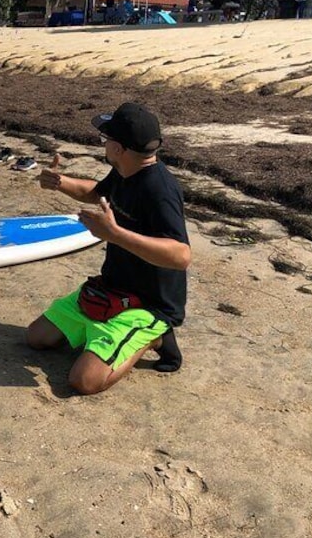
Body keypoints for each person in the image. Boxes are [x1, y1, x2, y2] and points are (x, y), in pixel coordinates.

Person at [29, 102, 191, 395]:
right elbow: (96, 192)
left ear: (118, 148)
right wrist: (59, 182)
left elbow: (181, 256)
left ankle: (154, 338)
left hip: (149, 303)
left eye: (105, 141)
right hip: (112, 288)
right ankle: (101, 335)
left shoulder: (160, 190)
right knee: (36, 337)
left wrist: (115, 234)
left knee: (84, 381)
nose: (103, 146)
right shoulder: (125, 172)